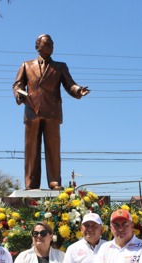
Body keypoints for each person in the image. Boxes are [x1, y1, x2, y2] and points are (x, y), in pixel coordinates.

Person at [13, 34, 90, 190]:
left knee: (53, 149)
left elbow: (70, 84)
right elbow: (17, 85)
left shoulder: (60, 66)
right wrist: (19, 93)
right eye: (47, 44)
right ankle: (31, 183)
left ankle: (54, 181)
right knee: (31, 150)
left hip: (52, 111)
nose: (50, 46)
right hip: (32, 111)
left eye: (52, 44)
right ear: (38, 46)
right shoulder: (26, 65)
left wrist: (78, 90)